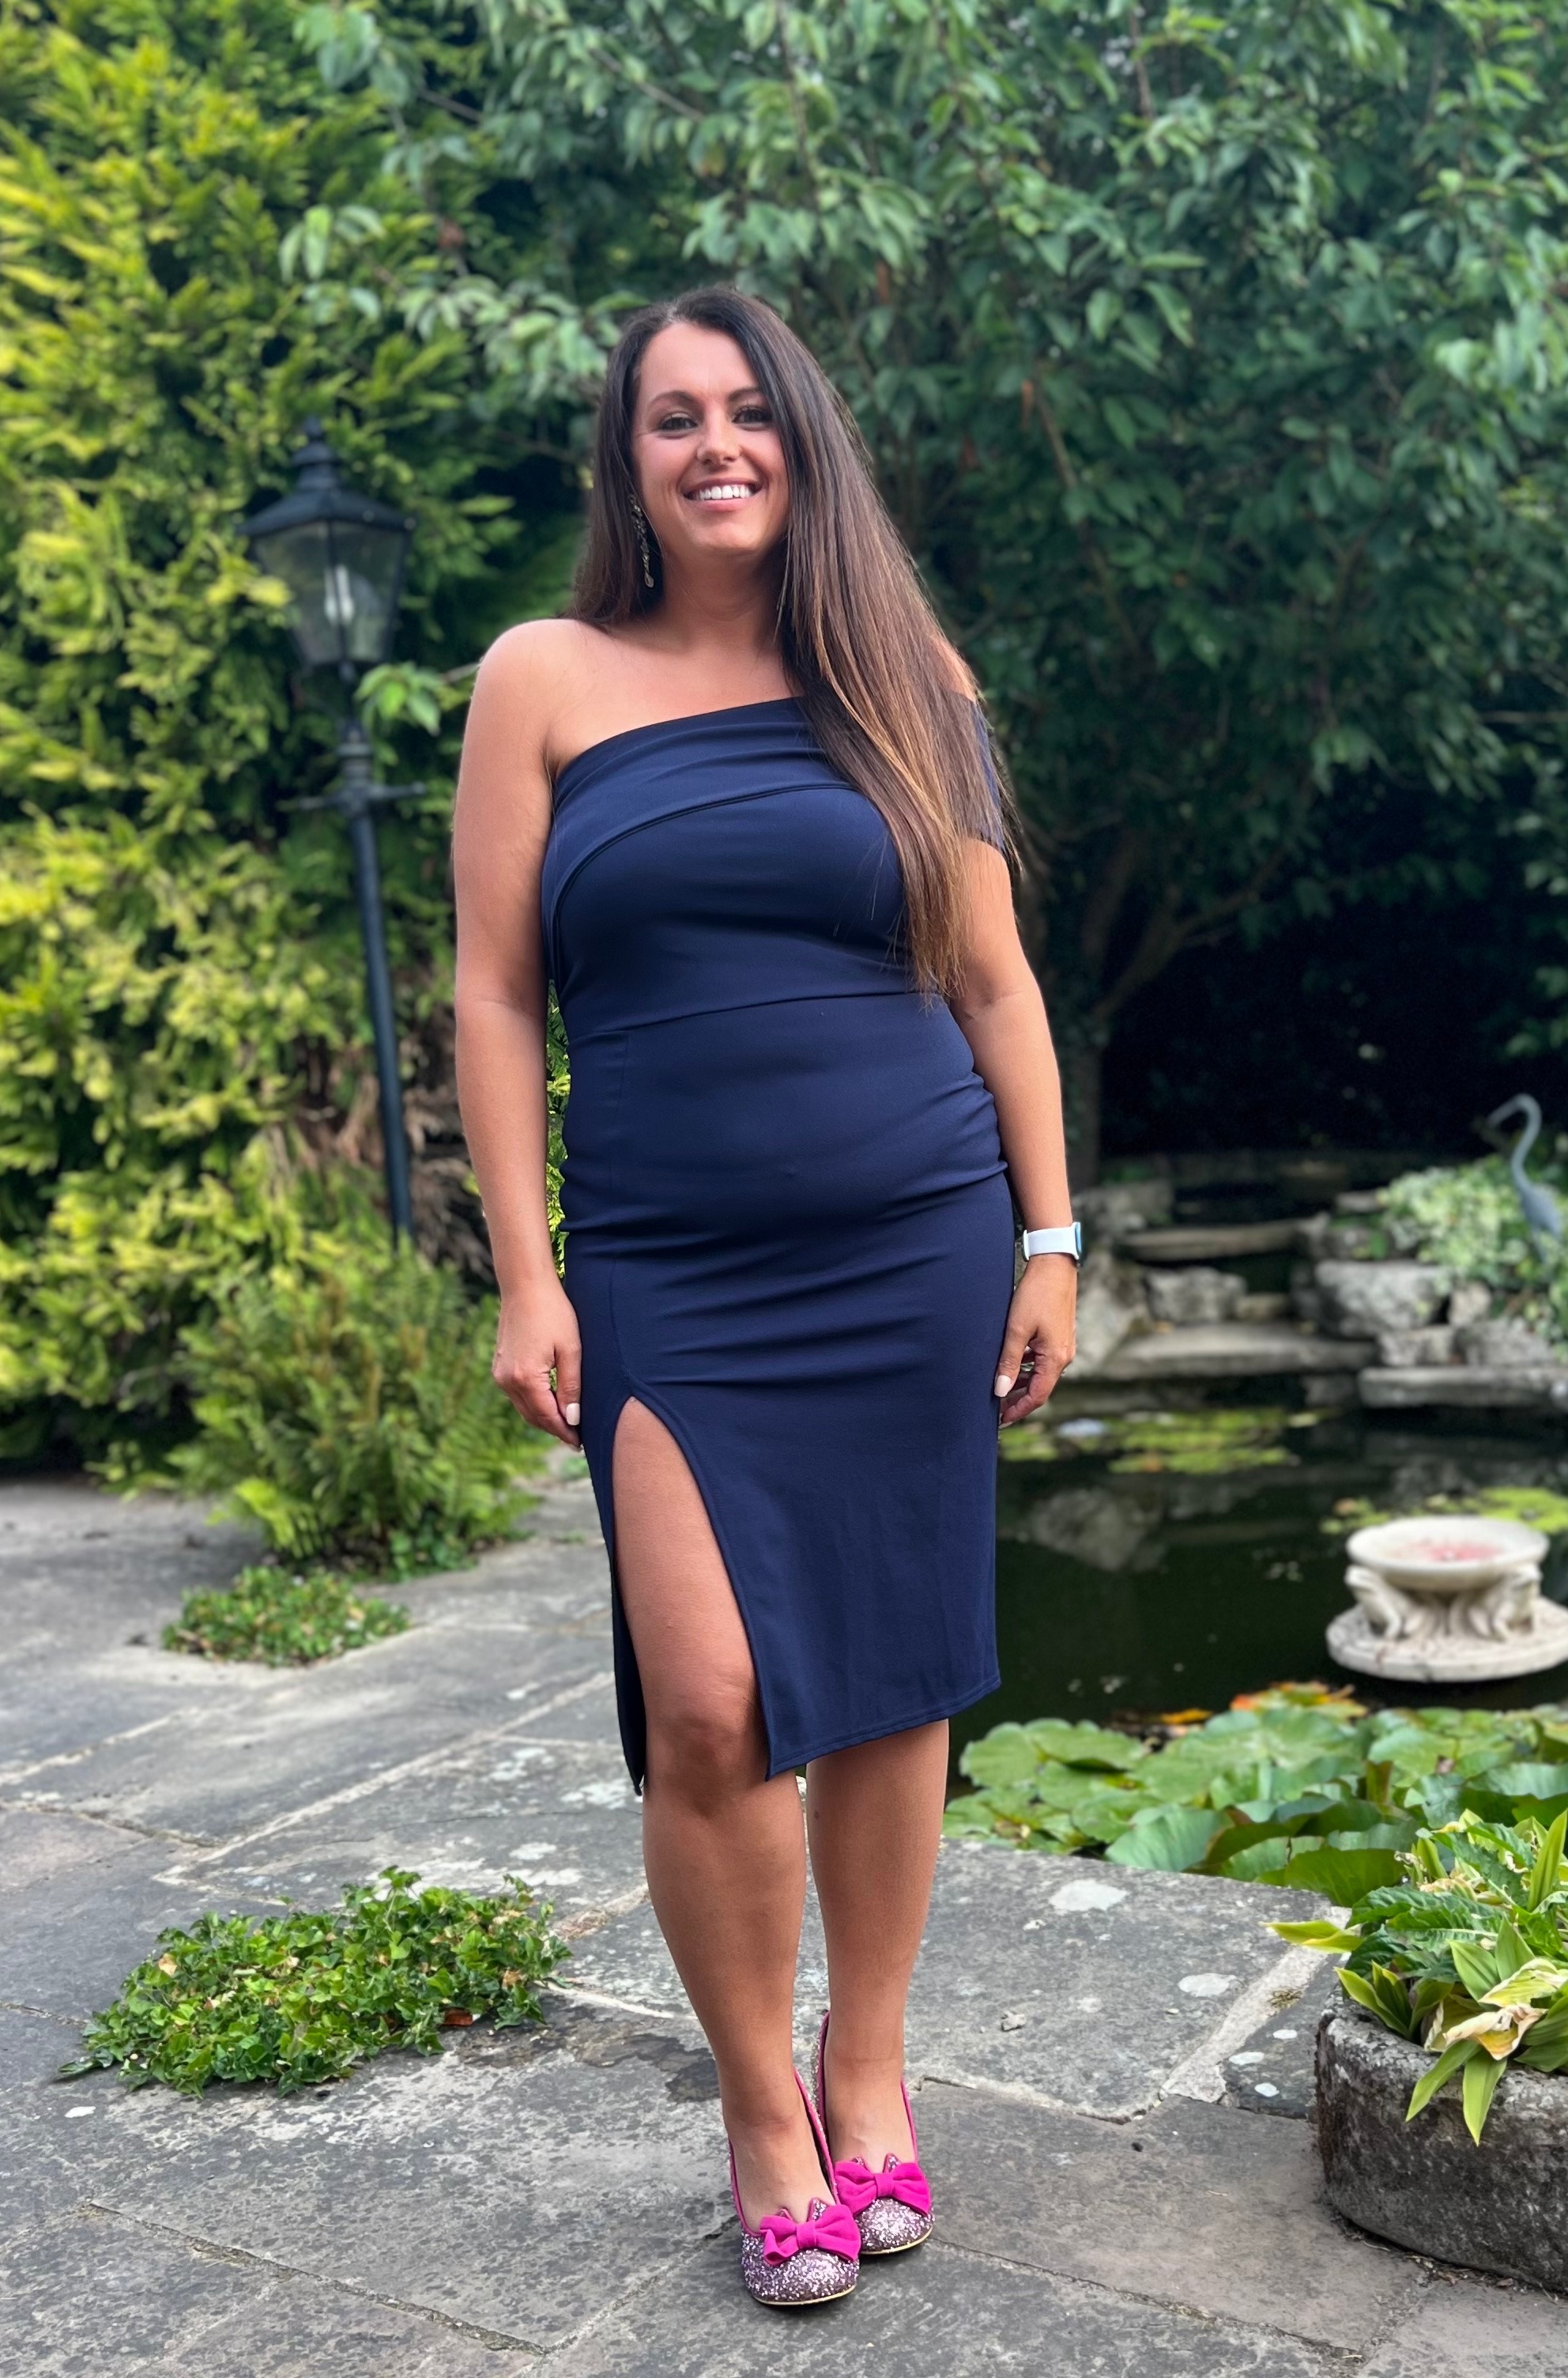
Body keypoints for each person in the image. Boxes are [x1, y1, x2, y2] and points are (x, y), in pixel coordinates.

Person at [451, 285, 1078, 2310]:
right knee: (710, 1701)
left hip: (917, 1241)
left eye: (747, 410)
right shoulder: (542, 678)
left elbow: (992, 981)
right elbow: (494, 992)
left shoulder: (906, 676)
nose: (713, 444)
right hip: (670, 1267)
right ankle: (757, 2106)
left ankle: (865, 2067)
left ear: (802, 441)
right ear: (624, 464)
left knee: (894, 1675)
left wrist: (1052, 1237)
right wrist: (526, 1271)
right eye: (671, 417)